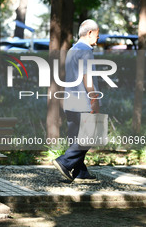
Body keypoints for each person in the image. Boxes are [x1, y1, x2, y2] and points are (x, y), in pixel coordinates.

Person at [53, 19, 100, 183]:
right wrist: (94, 99)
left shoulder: (72, 50)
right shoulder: (85, 51)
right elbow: (87, 78)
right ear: (90, 33)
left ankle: (80, 172)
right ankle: (64, 162)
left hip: (70, 102)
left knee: (76, 138)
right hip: (83, 103)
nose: (97, 40)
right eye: (97, 36)